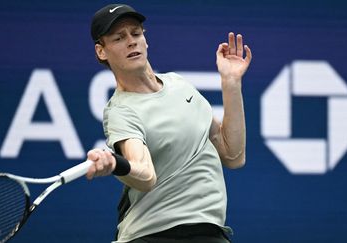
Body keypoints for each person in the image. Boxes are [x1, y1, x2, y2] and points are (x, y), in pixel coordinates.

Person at [85, 4, 252, 243]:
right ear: (101, 51)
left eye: (136, 33)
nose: (131, 42)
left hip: (209, 233)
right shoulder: (121, 111)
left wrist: (231, 82)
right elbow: (145, 174)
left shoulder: (179, 84)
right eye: (118, 38)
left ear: (145, 39)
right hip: (153, 235)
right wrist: (116, 164)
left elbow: (233, 155)